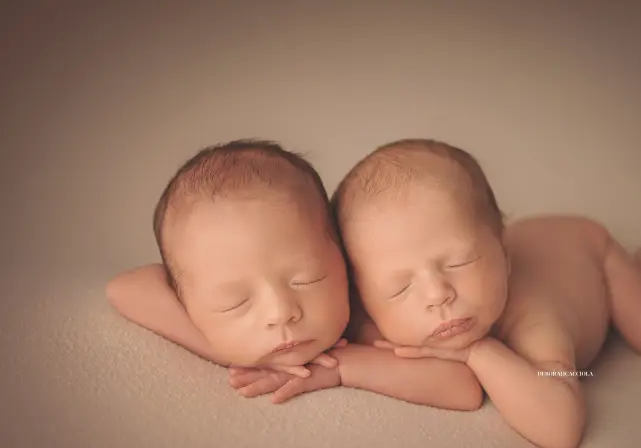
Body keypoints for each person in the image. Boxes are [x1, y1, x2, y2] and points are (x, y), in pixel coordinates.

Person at [331, 138, 641, 448]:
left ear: (503, 252)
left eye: (460, 262)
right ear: (366, 301)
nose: (437, 294)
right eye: (400, 287)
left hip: (587, 251)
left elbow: (562, 428)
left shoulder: (535, 323)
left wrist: (477, 352)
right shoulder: (386, 315)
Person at [105, 139, 482, 410]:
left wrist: (343, 369)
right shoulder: (198, 298)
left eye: (306, 280)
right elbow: (125, 288)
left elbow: (462, 386)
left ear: (343, 260)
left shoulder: (368, 312)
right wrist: (230, 350)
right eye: (234, 302)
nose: (281, 312)